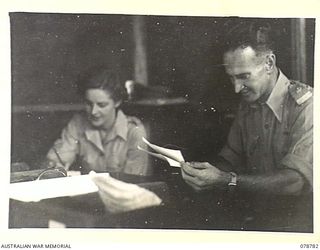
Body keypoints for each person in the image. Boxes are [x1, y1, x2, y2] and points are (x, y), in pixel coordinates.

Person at [181, 20, 313, 227]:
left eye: (244, 76)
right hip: (256, 220)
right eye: (231, 77)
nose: (236, 88)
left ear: (269, 63)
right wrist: (203, 173)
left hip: (301, 226)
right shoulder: (249, 102)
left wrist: (226, 179)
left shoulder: (309, 107)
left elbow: (295, 181)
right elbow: (231, 158)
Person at [46, 67, 150, 176]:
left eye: (102, 105)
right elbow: (54, 162)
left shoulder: (134, 132)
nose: (94, 112)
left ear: (117, 102)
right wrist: (56, 167)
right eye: (89, 104)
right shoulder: (77, 124)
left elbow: (134, 184)